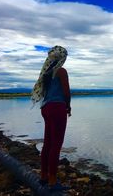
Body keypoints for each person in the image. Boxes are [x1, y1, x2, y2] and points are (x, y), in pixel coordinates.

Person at [31, 45, 71, 191]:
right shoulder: (61, 71)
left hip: (46, 108)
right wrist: (68, 106)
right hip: (57, 108)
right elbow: (66, 92)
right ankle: (53, 182)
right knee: (56, 145)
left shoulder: (47, 73)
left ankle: (43, 177)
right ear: (62, 58)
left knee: (48, 143)